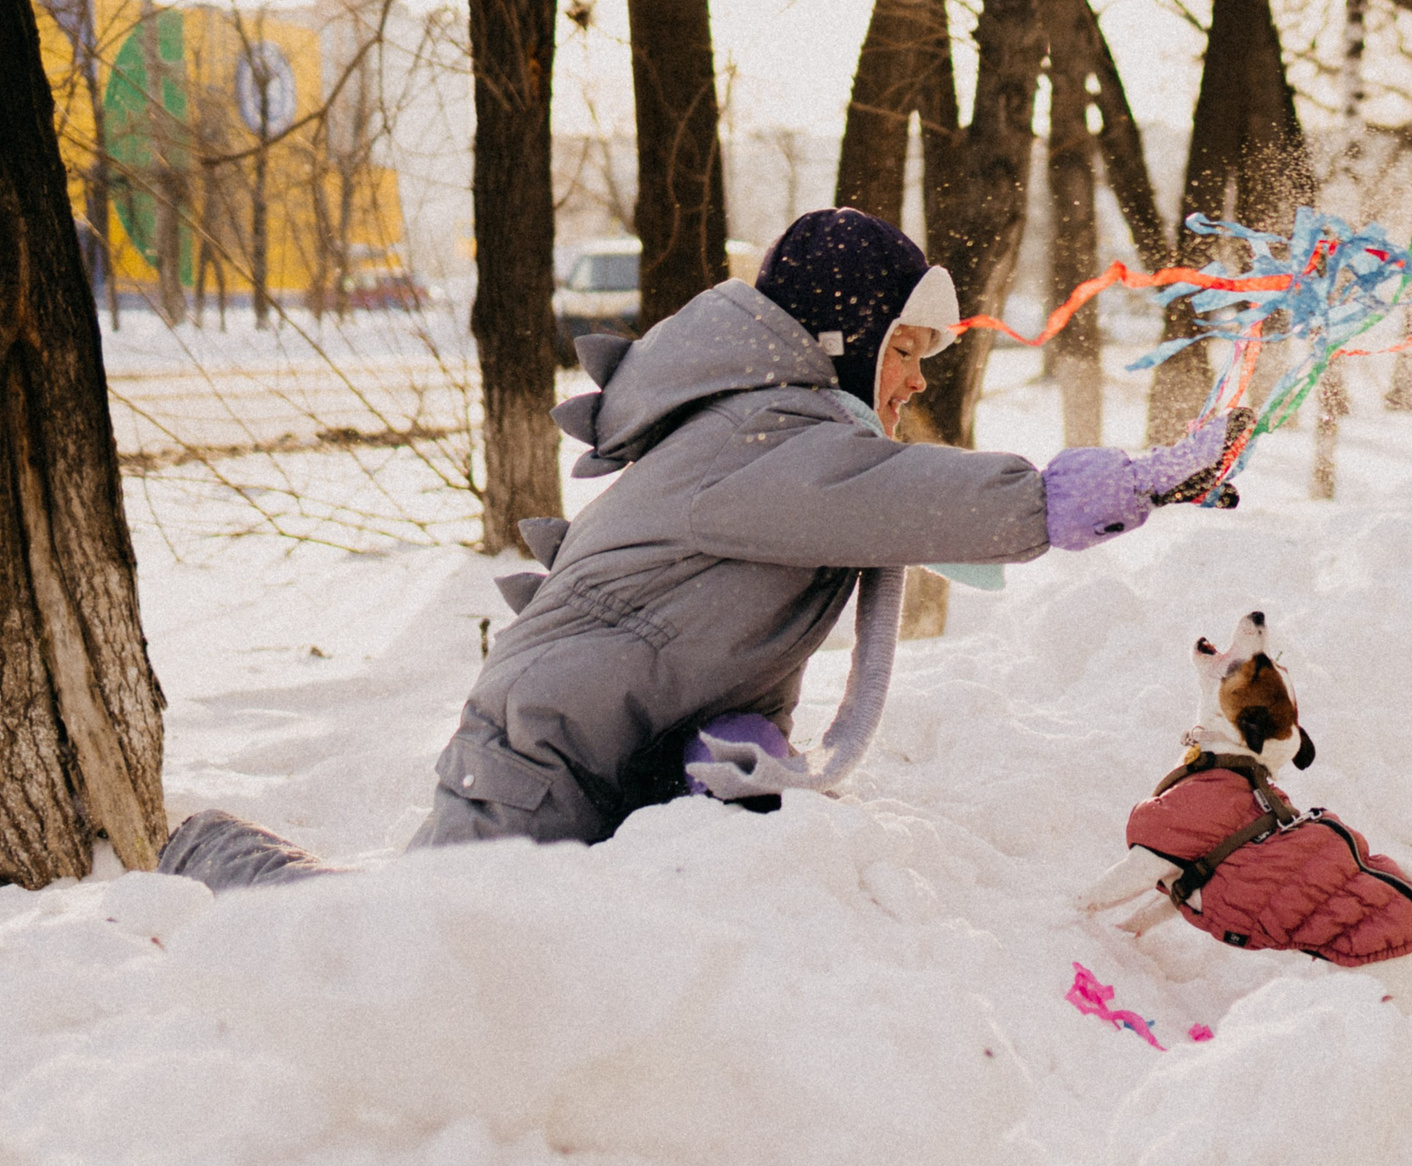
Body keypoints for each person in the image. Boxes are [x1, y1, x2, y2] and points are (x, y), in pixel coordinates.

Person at [161, 208, 1236, 886]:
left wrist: (1135, 491)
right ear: (846, 340)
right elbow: (900, 498)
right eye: (904, 351)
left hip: (622, 752)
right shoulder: (762, 443)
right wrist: (1062, 492)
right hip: (543, 751)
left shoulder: (798, 451)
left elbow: (891, 517)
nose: (915, 380)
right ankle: (217, 858)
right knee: (403, 950)